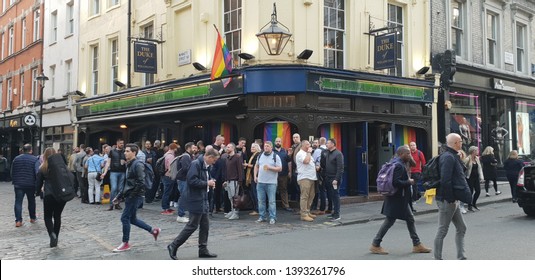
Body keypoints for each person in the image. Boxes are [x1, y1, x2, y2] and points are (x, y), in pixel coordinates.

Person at [370, 146, 432, 255]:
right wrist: (409, 182)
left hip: (397, 198)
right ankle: (376, 244)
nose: (410, 155)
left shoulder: (396, 162)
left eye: (410, 153)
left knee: (408, 219)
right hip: (398, 199)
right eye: (407, 154)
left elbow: (412, 164)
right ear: (401, 154)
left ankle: (416, 244)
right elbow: (396, 182)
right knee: (391, 220)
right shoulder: (399, 165)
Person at [167, 149, 220, 260]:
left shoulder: (204, 165)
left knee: (205, 225)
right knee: (192, 225)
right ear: (209, 157)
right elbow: (191, 181)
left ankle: (203, 249)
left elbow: (201, 179)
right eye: (214, 160)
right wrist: (207, 183)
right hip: (195, 198)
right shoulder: (196, 164)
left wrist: (209, 182)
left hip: (203, 198)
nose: (214, 162)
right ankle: (174, 245)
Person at [112, 144, 161, 252]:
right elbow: (127, 183)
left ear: (134, 153)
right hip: (131, 195)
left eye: (128, 151)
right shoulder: (129, 164)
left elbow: (141, 182)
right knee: (132, 219)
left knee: (125, 218)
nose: (125, 152)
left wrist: (132, 195)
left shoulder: (137, 164)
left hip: (135, 196)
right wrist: (119, 196)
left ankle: (125, 243)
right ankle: (153, 231)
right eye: (125, 151)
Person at [434, 133, 468, 260]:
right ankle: (438, 258)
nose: (462, 143)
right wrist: (450, 198)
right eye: (460, 141)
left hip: (453, 199)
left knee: (461, 227)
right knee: (442, 230)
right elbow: (445, 180)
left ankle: (461, 256)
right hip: (447, 199)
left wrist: (459, 159)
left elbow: (459, 173)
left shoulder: (452, 156)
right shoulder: (448, 157)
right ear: (455, 143)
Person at [35, 148, 67, 247]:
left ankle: (52, 234)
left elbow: (38, 184)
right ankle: (56, 236)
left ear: (44, 156)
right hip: (61, 194)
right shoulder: (62, 166)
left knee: (48, 216)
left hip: (49, 194)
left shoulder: (43, 167)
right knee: (57, 216)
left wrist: (37, 192)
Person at [254, 141, 282, 224]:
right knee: (261, 200)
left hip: (271, 182)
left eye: (267, 146)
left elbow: (280, 168)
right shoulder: (260, 155)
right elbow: (256, 166)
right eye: (265, 146)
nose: (265, 148)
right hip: (260, 182)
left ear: (271, 147)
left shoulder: (275, 156)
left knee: (271, 201)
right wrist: (255, 176)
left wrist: (270, 168)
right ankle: (262, 216)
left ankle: (272, 217)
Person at [11, 144, 39, 227]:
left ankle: (18, 221)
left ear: (23, 150)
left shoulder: (16, 159)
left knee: (18, 202)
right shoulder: (35, 159)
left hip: (18, 184)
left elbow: (12, 172)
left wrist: (14, 180)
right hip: (30, 184)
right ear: (31, 150)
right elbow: (37, 172)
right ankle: (32, 218)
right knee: (31, 201)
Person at [320, 138, 344, 221]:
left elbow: (340, 168)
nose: (326, 144)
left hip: (334, 179)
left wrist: (336, 179)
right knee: (331, 196)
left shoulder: (338, 154)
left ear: (333, 144)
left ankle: (337, 214)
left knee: (336, 195)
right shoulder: (327, 153)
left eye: (328, 143)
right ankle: (333, 212)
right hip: (328, 178)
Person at [295, 140, 318, 222]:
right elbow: (306, 161)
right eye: (308, 144)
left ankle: (307, 211)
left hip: (312, 177)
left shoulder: (308, 154)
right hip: (304, 178)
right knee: (304, 196)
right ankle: (303, 214)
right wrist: (309, 153)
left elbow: (310, 163)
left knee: (311, 195)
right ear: (303, 145)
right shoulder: (300, 153)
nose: (310, 146)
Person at [222, 143, 244, 220]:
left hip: (235, 180)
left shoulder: (237, 157)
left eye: (229, 147)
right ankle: (232, 210)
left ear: (233, 148)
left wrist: (240, 180)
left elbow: (240, 169)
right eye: (226, 147)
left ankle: (236, 212)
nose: (227, 148)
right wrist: (225, 180)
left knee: (235, 197)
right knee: (230, 197)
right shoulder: (227, 158)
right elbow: (226, 170)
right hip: (228, 180)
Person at [102, 139, 126, 211]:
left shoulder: (124, 151)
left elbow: (128, 161)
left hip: (122, 172)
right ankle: (111, 204)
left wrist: (125, 162)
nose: (122, 144)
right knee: (114, 188)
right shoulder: (112, 151)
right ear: (117, 143)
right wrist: (105, 172)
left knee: (120, 189)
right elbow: (108, 163)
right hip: (114, 172)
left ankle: (117, 203)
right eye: (121, 143)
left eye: (123, 143)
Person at [176, 142, 195, 223]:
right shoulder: (186, 157)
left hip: (184, 179)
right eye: (193, 147)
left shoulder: (189, 156)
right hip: (183, 179)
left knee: (185, 197)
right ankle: (180, 215)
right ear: (188, 148)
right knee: (183, 197)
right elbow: (185, 168)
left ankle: (182, 214)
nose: (195, 149)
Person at [273, 137, 292, 212]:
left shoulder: (285, 151)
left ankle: (286, 206)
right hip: (273, 174)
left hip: (283, 174)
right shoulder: (272, 151)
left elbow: (289, 162)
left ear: (281, 143)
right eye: (277, 141)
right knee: (272, 191)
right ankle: (272, 207)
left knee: (284, 190)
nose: (278, 143)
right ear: (274, 143)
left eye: (279, 141)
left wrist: (289, 172)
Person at [463, 146, 484, 211]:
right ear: (473, 151)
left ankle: (474, 203)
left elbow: (479, 168)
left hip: (476, 177)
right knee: (470, 192)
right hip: (469, 178)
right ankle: (470, 205)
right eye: (477, 151)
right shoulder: (467, 159)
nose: (478, 152)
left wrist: (481, 177)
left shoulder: (477, 158)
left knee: (478, 191)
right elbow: (463, 168)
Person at [160, 143, 178, 215]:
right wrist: (173, 175)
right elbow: (171, 167)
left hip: (165, 175)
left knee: (167, 192)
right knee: (167, 192)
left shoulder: (166, 154)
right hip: (168, 176)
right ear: (174, 148)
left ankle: (167, 207)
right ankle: (165, 208)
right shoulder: (170, 156)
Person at [244, 143, 261, 216]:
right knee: (253, 193)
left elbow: (256, 166)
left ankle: (257, 209)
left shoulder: (258, 155)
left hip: (256, 177)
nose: (252, 148)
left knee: (255, 193)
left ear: (257, 148)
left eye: (254, 147)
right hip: (251, 176)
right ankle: (256, 208)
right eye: (251, 147)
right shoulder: (253, 155)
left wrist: (247, 165)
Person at [409, 142, 426, 210]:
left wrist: (423, 171)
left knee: (414, 185)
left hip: (417, 171)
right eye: (411, 145)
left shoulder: (419, 153)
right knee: (411, 185)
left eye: (413, 145)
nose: (412, 146)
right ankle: (418, 195)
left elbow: (423, 162)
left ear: (416, 146)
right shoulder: (408, 153)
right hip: (410, 171)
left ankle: (414, 199)